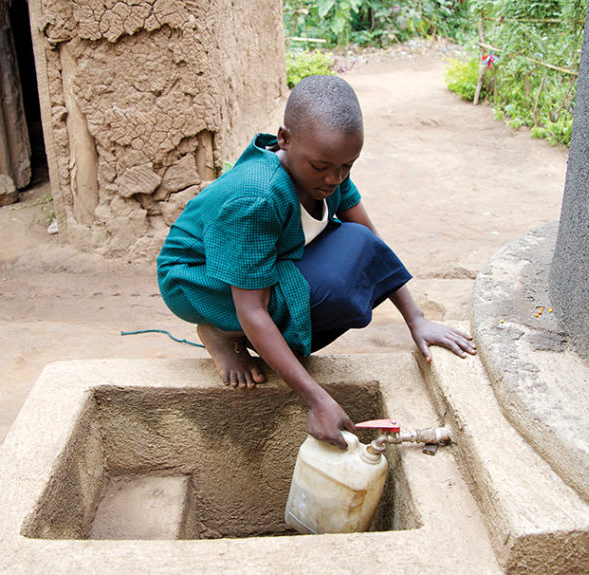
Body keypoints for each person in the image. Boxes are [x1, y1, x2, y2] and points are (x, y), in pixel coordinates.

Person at [157, 75, 476, 448]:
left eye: (346, 167)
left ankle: (256, 335)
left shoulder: (328, 168)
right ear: (285, 139)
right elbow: (253, 308)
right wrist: (316, 399)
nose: (333, 179)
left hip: (264, 256)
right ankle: (222, 330)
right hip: (199, 277)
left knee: (355, 258)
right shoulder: (258, 197)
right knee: (326, 293)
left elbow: (371, 245)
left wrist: (416, 320)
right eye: (322, 166)